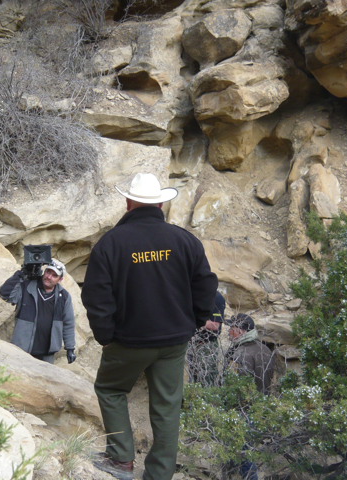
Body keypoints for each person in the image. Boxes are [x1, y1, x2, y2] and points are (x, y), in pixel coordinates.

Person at [81, 173, 218, 480]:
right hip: (174, 342)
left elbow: (96, 296)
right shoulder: (184, 240)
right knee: (168, 407)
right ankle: (159, 474)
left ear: (129, 202)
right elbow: (207, 285)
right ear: (159, 202)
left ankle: (121, 459)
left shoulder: (111, 243)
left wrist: (105, 335)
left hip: (128, 340)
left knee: (110, 388)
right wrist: (196, 320)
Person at [224, 313, 278, 480]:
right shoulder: (265, 348)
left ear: (240, 331)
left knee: (244, 452)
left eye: (231, 329)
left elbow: (231, 386)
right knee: (250, 449)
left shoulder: (240, 354)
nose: (228, 332)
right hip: (262, 405)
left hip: (243, 409)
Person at [0, 258, 76, 365]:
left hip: (46, 354)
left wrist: (70, 348)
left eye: (54, 275)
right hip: (21, 349)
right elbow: (5, 294)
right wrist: (21, 274)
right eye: (48, 272)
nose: (49, 277)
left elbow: (69, 323)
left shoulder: (64, 297)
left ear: (60, 280)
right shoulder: (26, 286)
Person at [187, 291, 225, 386]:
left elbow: (215, 325)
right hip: (193, 343)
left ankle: (209, 400)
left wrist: (192, 320)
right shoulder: (195, 294)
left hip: (207, 345)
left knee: (208, 379)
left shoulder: (217, 297)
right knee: (194, 377)